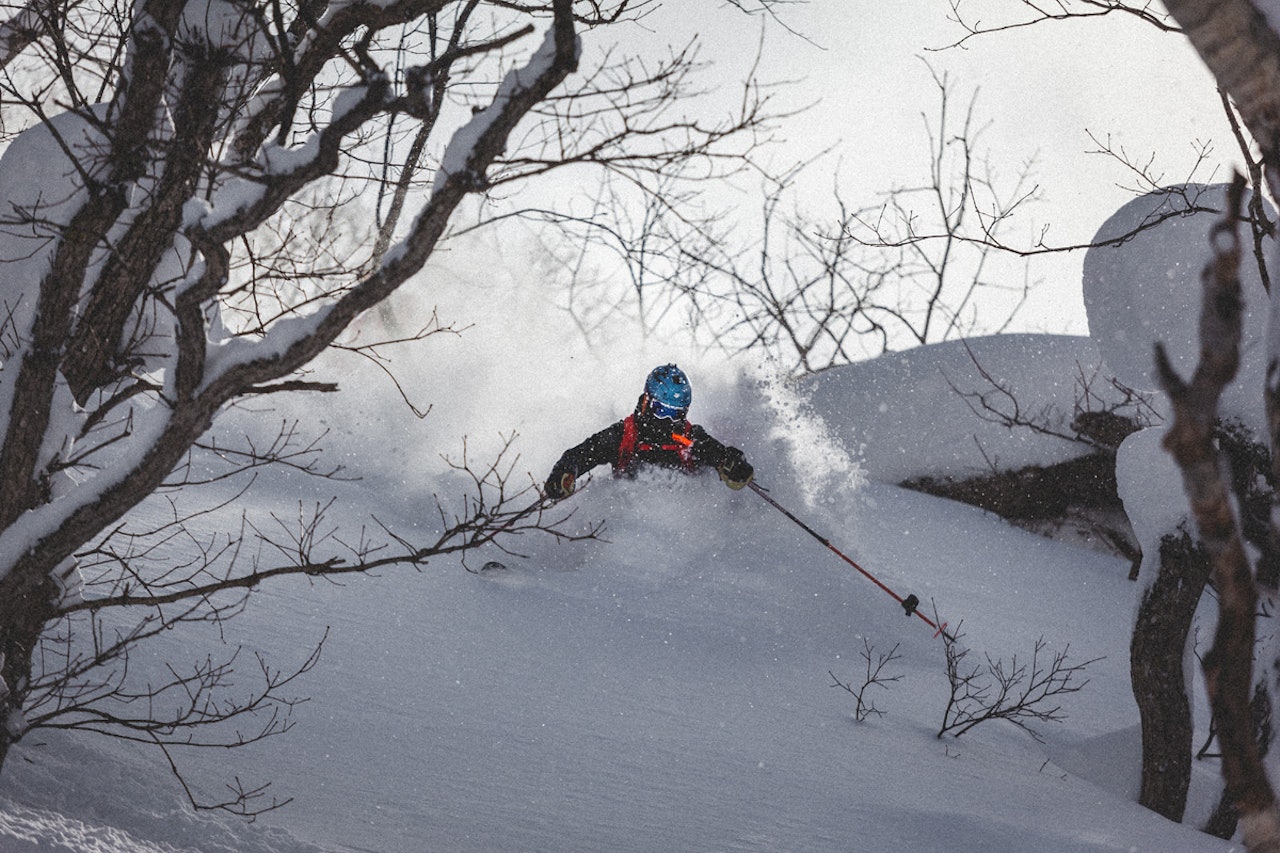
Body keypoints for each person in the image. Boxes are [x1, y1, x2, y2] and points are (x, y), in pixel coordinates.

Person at [544, 364, 754, 499]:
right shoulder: (623, 436)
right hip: (631, 527)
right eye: (661, 410)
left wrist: (732, 464)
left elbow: (719, 454)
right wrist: (565, 472)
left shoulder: (690, 439)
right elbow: (582, 454)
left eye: (676, 414)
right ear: (646, 401)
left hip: (684, 529)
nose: (668, 421)